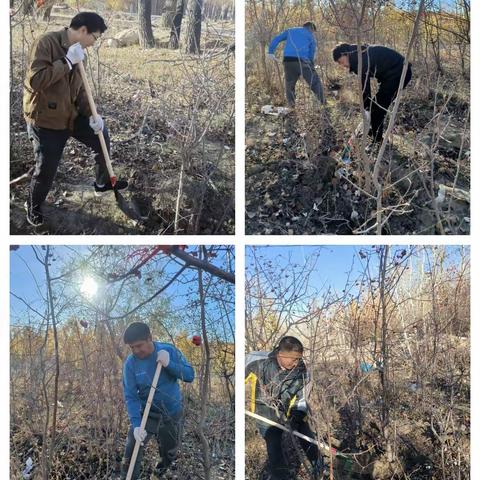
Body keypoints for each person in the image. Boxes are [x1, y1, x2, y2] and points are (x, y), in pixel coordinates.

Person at [23, 12, 128, 226]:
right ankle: (32, 206)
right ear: (82, 31)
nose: (94, 42)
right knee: (47, 168)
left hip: (70, 115)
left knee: (100, 135)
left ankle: (102, 183)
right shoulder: (46, 43)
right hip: (46, 119)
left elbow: (81, 92)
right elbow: (36, 80)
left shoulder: (80, 54)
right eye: (94, 37)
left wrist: (92, 115)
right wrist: (67, 61)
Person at [120, 322, 195, 480]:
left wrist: (170, 364)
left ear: (149, 338)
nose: (135, 351)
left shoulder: (168, 350)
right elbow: (131, 396)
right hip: (147, 413)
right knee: (132, 449)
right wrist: (137, 424)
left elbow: (189, 375)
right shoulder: (130, 364)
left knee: (169, 452)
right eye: (132, 347)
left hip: (172, 412)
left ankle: (158, 474)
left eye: (139, 345)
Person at [245, 336, 324, 480]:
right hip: (265, 413)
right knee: (274, 446)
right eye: (293, 359)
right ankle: (281, 476)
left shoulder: (301, 369)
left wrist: (298, 413)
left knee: (306, 435)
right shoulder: (258, 361)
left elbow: (302, 395)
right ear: (280, 354)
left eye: (299, 359)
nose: (296, 363)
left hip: (293, 410)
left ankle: (319, 466)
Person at [332, 43, 412, 145]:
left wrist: (366, 107)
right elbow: (365, 87)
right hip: (391, 76)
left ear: (345, 54)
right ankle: (374, 132)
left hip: (400, 74)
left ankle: (377, 140)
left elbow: (365, 87)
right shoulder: (357, 55)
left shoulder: (360, 59)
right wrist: (367, 106)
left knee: (378, 109)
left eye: (340, 61)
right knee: (374, 106)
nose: (342, 65)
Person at [268, 22, 325, 107]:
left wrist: (271, 51)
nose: (313, 33)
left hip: (288, 61)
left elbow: (277, 38)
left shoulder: (290, 31)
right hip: (303, 61)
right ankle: (323, 103)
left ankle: (291, 107)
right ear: (311, 29)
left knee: (289, 85)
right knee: (314, 82)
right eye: (313, 31)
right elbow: (312, 51)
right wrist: (311, 63)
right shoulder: (310, 35)